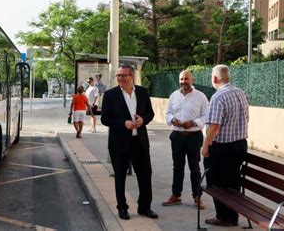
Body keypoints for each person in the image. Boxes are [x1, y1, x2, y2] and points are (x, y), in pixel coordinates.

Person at [101, 64, 158, 220]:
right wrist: (123, 123)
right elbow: (105, 119)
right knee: (120, 177)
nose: (120, 78)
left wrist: (143, 120)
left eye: (123, 75)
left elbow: (150, 113)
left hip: (139, 142)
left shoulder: (142, 92)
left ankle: (145, 207)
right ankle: (122, 208)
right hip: (119, 144)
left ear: (131, 76)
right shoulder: (110, 95)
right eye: (118, 76)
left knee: (145, 175)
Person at [202, 64, 249, 227]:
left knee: (216, 183)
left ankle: (223, 217)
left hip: (223, 148)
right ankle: (232, 217)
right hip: (240, 145)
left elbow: (214, 126)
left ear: (214, 78)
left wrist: (205, 145)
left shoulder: (218, 97)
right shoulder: (240, 93)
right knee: (232, 182)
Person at [163, 70, 208, 209]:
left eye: (186, 79)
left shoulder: (201, 96)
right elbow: (168, 113)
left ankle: (197, 197)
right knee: (177, 167)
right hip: (177, 136)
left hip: (194, 137)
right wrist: (172, 120)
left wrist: (193, 123)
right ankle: (176, 195)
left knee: (194, 168)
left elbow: (206, 116)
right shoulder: (174, 96)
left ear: (192, 80)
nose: (184, 81)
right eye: (182, 79)